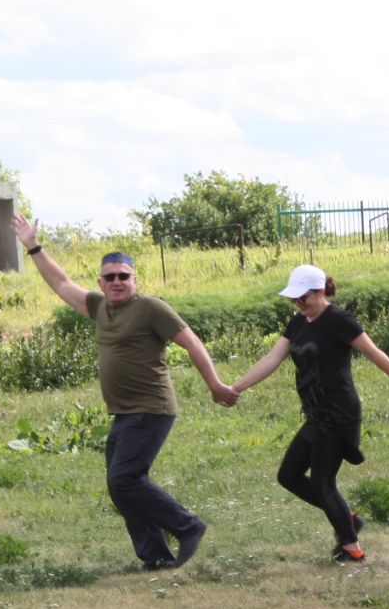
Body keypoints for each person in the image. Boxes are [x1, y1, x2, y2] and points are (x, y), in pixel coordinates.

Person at [13, 214, 236, 571]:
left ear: (135, 280)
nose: (117, 282)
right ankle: (156, 556)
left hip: (152, 408)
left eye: (124, 276)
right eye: (111, 277)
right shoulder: (100, 307)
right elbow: (61, 283)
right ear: (101, 282)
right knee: (120, 486)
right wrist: (34, 246)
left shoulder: (150, 308)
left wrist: (215, 385)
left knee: (125, 478)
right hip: (123, 412)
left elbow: (190, 341)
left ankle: (187, 525)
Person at [229, 266, 389, 562]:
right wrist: (236, 388)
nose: (299, 304)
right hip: (316, 413)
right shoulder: (298, 322)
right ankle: (348, 519)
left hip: (338, 412)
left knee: (323, 482)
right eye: (294, 299)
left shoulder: (339, 320)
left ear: (320, 291)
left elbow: (373, 352)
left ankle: (351, 547)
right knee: (289, 475)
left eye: (303, 298)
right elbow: (272, 358)